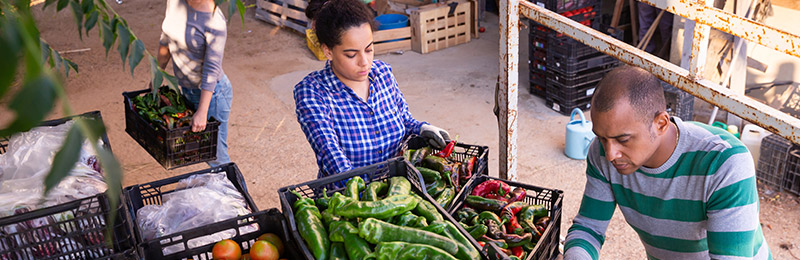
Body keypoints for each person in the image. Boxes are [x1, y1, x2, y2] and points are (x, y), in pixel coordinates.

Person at [564, 66, 771, 260]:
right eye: (601, 137)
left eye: (623, 139)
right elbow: (589, 227)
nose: (610, 154)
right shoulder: (602, 151)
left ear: (661, 124)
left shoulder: (725, 163)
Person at [294, 0, 450, 186]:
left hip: (398, 190)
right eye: (351, 55)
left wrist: (422, 128)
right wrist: (369, 196)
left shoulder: (383, 73)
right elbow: (331, 156)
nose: (365, 62)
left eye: (369, 49)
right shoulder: (312, 92)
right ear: (328, 51)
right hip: (347, 201)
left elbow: (404, 120)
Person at [157, 0, 232, 166]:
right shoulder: (174, 2)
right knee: (201, 151)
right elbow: (166, 39)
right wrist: (157, 74)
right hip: (186, 90)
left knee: (216, 158)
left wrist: (202, 111)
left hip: (213, 96)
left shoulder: (215, 21)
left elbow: (211, 69)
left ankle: (236, 192)